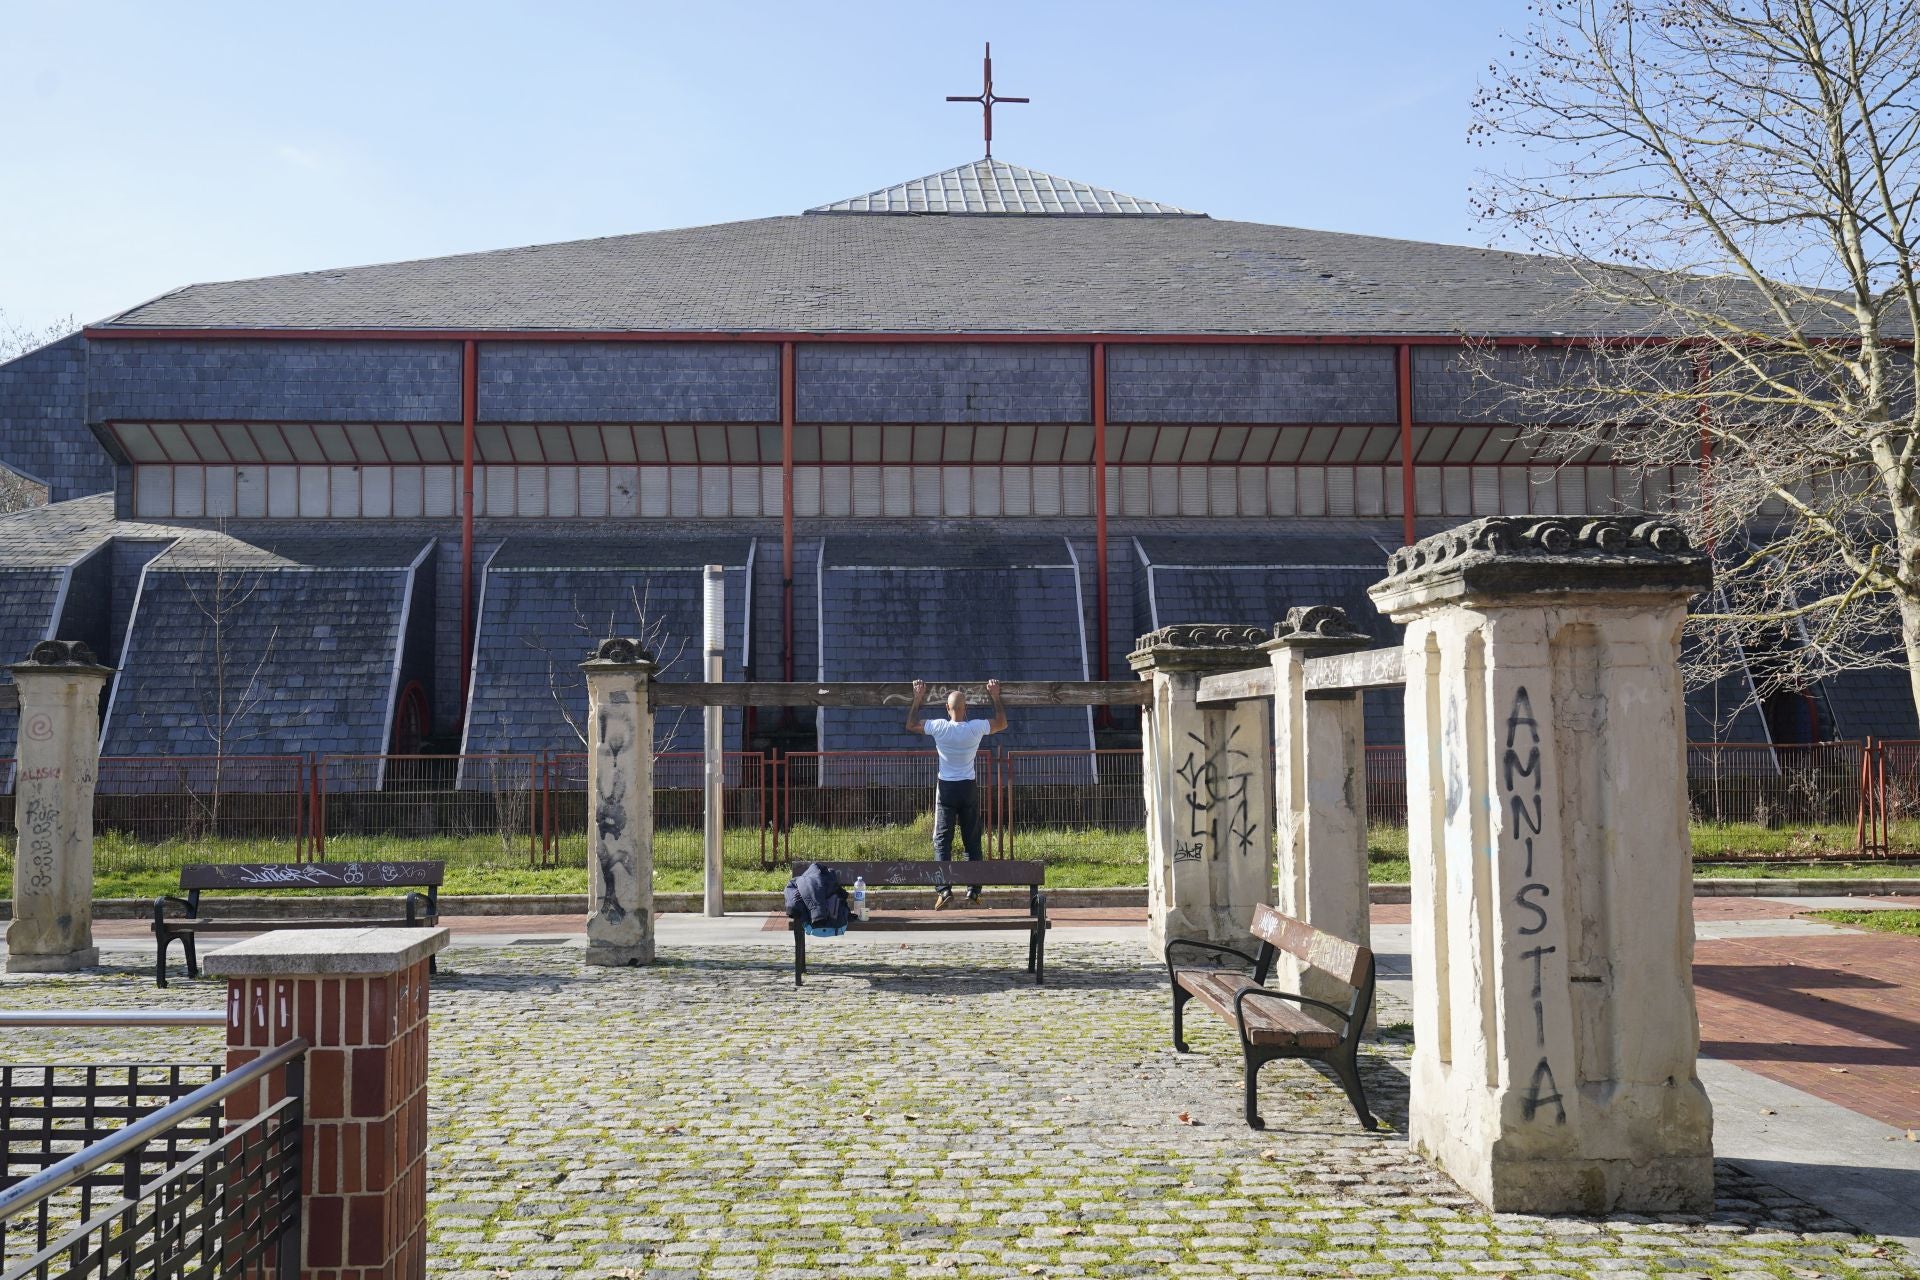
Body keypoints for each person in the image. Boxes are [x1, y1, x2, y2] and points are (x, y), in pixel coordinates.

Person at [904, 678, 1008, 908]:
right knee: (972, 839)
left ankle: (944, 890)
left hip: (947, 788)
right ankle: (973, 890)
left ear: (947, 708)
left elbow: (911, 724)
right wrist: (995, 696)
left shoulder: (940, 727)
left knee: (942, 840)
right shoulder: (975, 728)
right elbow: (1002, 723)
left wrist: (918, 698)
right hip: (968, 787)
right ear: (966, 708)